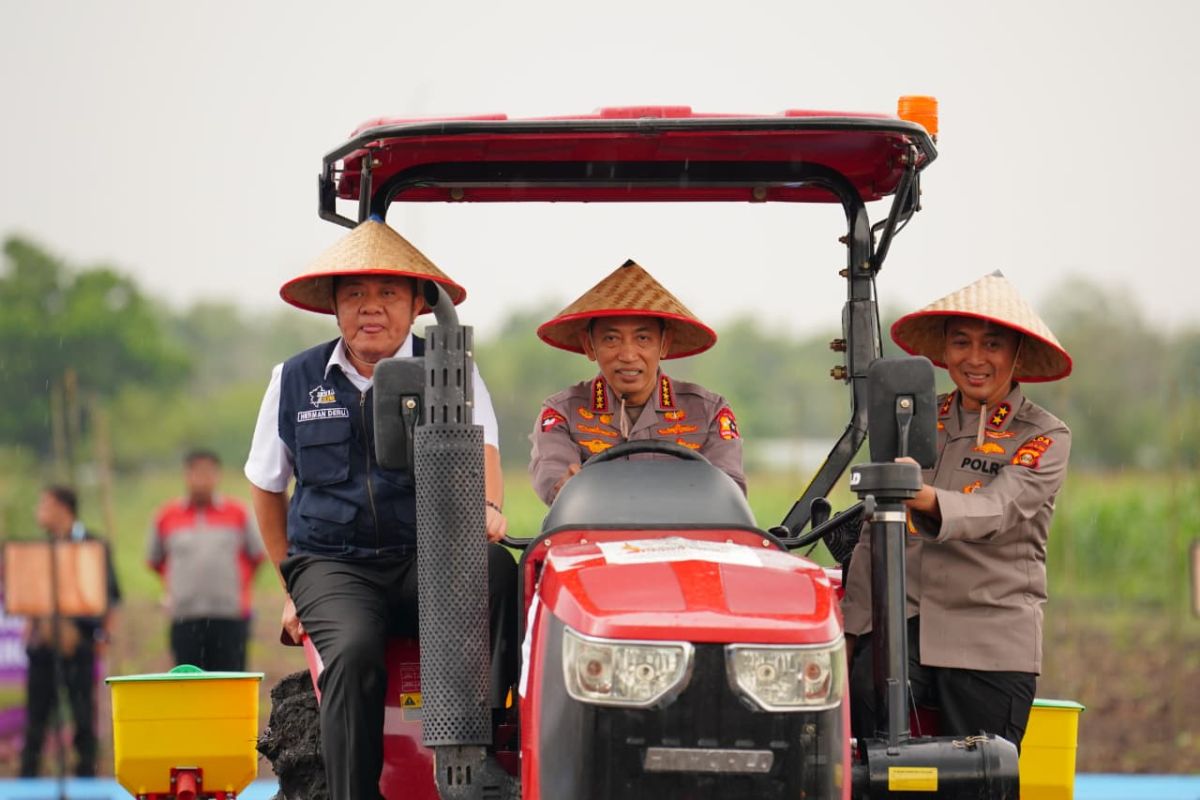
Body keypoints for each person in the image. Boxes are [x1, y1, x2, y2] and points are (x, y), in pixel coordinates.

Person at [244, 216, 516, 800]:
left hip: (428, 556)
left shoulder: (453, 371)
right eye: (355, 294)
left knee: (498, 572)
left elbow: (486, 452)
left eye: (388, 293)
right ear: (334, 307)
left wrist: (488, 508)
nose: (371, 308)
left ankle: (487, 758)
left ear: (418, 302)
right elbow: (266, 486)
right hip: (334, 566)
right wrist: (291, 579)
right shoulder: (293, 379)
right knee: (354, 651)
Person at [841, 270, 1072, 750]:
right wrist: (851, 629)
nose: (975, 358)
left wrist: (920, 496)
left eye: (992, 345)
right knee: (870, 762)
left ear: (1017, 355)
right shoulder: (912, 417)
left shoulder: (1044, 435)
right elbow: (872, 535)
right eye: (961, 342)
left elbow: (997, 509)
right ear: (943, 353)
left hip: (990, 635)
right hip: (905, 631)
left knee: (983, 777)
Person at [529, 259, 745, 504]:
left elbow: (729, 495)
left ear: (664, 343)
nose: (628, 355)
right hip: (594, 536)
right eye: (611, 339)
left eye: (643, 338)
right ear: (589, 345)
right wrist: (564, 487)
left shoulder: (710, 412)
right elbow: (553, 478)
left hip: (686, 539)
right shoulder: (561, 413)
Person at [20, 485, 121, 778]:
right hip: (43, 648)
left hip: (80, 645)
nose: (39, 512)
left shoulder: (93, 546)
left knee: (83, 718)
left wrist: (103, 636)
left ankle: (85, 780)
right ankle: (28, 781)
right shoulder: (40, 549)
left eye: (45, 505)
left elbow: (111, 596)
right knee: (36, 718)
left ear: (63, 508)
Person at [148, 449, 264, 671]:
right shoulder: (166, 515)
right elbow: (155, 560)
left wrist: (239, 586)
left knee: (230, 685)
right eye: (196, 473)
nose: (202, 480)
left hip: (229, 616)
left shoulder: (238, 512)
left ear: (217, 476)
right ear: (186, 475)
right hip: (185, 617)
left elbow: (257, 555)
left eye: (208, 473)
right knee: (189, 686)